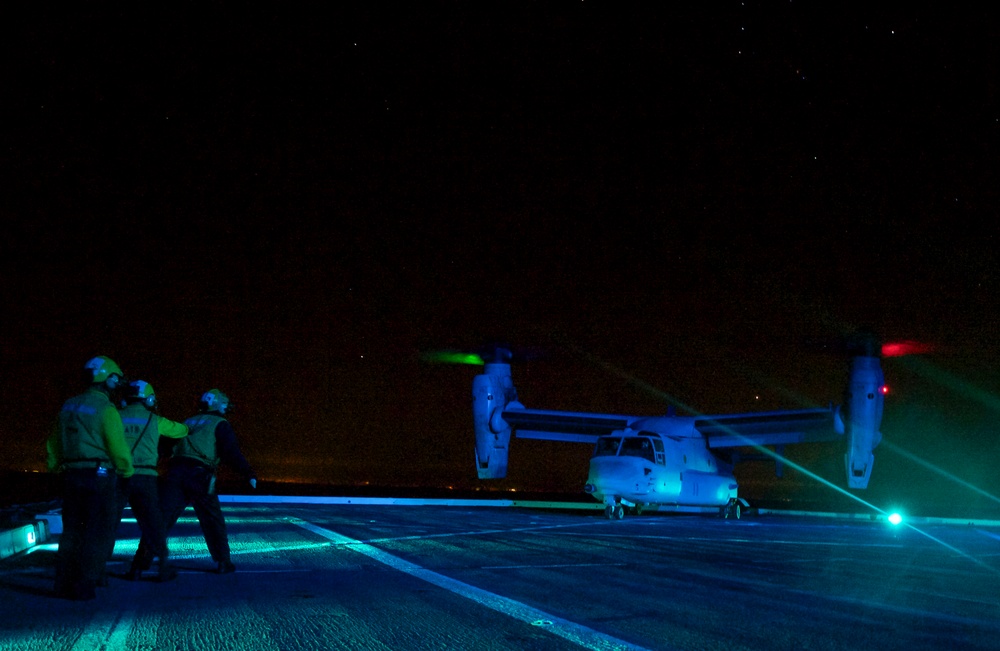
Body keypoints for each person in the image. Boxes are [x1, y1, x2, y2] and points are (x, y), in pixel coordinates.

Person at [132, 389, 256, 575]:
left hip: (174, 473)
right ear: (217, 404)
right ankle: (223, 562)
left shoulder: (188, 421)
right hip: (200, 475)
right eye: (224, 403)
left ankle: (139, 565)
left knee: (160, 520)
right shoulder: (220, 423)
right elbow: (230, 452)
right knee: (212, 519)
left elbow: (165, 448)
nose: (226, 407)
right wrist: (248, 473)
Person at [46, 355, 134, 600]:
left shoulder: (68, 406)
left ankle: (62, 584)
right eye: (115, 379)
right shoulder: (106, 409)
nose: (117, 384)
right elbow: (118, 447)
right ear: (107, 378)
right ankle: (85, 584)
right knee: (97, 530)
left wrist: (55, 467)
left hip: (71, 474)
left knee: (72, 530)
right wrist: (126, 471)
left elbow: (54, 443)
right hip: (99, 476)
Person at [113, 380, 189, 582]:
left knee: (108, 523)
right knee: (153, 524)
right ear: (149, 398)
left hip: (119, 475)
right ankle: (162, 567)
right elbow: (182, 430)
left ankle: (96, 574)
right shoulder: (155, 420)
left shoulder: (115, 417)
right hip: (145, 477)